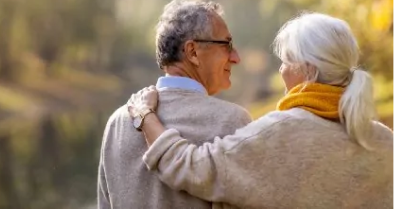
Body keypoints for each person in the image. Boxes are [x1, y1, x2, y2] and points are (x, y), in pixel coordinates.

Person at [128, 12, 394, 209]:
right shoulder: (385, 141)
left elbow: (189, 167)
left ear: (308, 71)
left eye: (286, 62)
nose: (281, 70)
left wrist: (145, 115)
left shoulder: (281, 133)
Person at [98, 0, 252, 209]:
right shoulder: (231, 122)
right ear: (193, 52)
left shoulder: (117, 123)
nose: (236, 57)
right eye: (227, 45)